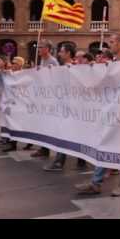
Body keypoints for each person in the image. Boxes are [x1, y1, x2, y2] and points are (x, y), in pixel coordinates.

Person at [75, 32, 120, 197]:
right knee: (104, 144)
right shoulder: (113, 63)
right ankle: (96, 182)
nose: (110, 44)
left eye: (112, 41)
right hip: (110, 112)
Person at [43, 43, 86, 171]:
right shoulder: (63, 67)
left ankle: (59, 162)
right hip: (65, 105)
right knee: (71, 134)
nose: (60, 54)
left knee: (64, 133)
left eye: (61, 52)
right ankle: (80, 160)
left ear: (68, 53)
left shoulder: (74, 67)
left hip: (71, 107)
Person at [30, 39, 60, 158]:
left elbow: (55, 78)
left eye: (41, 47)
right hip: (43, 97)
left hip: (50, 98)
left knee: (48, 125)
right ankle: (43, 149)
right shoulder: (42, 60)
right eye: (38, 46)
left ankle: (48, 149)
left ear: (47, 49)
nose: (38, 49)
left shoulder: (53, 61)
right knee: (42, 125)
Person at [2, 56, 25, 152]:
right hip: (10, 103)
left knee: (15, 124)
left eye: (15, 63)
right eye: (12, 62)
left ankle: (13, 144)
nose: (12, 64)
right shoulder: (11, 73)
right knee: (9, 122)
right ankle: (8, 140)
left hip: (18, 104)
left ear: (20, 65)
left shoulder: (23, 74)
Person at [0, 56, 11, 148]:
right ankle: (3, 138)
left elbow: (8, 85)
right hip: (0, 99)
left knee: (5, 120)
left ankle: (5, 138)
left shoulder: (7, 72)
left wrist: (3, 73)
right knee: (1, 120)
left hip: (5, 100)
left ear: (4, 62)